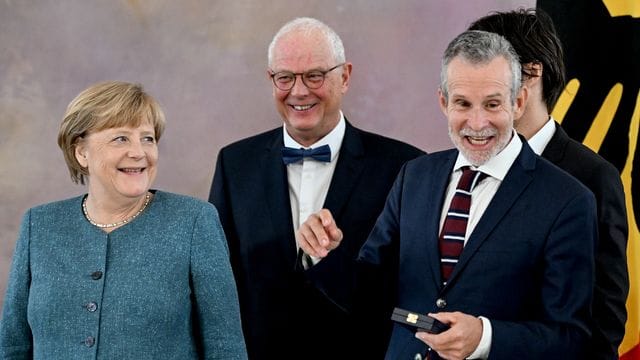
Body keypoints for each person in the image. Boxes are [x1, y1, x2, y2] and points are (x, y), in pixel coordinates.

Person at [298, 30, 598, 359]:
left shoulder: (569, 201)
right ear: (443, 102)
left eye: (493, 104)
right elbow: (371, 295)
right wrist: (324, 254)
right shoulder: (414, 176)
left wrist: (485, 337)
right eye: (463, 103)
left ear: (519, 102)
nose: (477, 122)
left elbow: (572, 339)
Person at [208, 17, 424, 359]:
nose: (299, 91)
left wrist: (333, 263)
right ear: (271, 80)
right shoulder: (234, 163)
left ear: (345, 76)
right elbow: (218, 285)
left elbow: (410, 290)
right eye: (285, 78)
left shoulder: (405, 167)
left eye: (315, 75)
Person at [0, 81, 247, 359]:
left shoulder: (193, 221)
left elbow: (225, 347)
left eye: (147, 138)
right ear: (81, 152)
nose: (139, 152)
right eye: (121, 138)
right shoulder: (40, 225)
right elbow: (13, 346)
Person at [468, 9, 629, 359]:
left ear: (530, 74)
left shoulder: (592, 177)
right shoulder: (456, 167)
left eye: (486, 69)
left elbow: (604, 322)